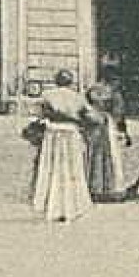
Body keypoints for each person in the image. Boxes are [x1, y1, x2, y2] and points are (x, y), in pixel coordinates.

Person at [30, 69, 99, 222]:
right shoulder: (77, 97)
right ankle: (72, 207)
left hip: (52, 134)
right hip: (71, 133)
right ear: (71, 82)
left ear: (56, 81)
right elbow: (93, 117)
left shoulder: (47, 95)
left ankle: (52, 207)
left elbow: (37, 114)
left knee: (52, 167)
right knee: (72, 168)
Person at [83, 71, 130, 202]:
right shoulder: (114, 93)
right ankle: (110, 189)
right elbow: (119, 114)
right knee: (111, 157)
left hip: (93, 125)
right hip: (108, 125)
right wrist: (124, 132)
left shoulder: (91, 90)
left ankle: (93, 188)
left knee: (93, 156)